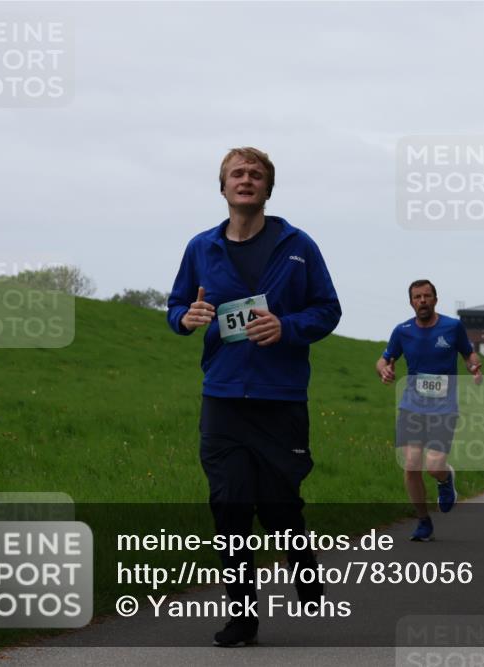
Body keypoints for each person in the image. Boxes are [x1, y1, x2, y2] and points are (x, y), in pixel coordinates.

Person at [167, 147, 342, 647]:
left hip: (280, 398)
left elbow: (327, 310)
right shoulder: (201, 247)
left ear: (268, 188)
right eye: (237, 174)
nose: (246, 180)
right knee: (230, 507)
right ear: (223, 186)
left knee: (279, 506)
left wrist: (286, 327)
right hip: (222, 396)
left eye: (256, 174)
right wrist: (185, 319)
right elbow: (177, 306)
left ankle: (302, 564)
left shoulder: (298, 246)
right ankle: (242, 618)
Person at [376, 280, 482, 542]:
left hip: (443, 408)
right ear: (411, 302)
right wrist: (384, 369)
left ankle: (445, 479)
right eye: (417, 297)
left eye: (426, 296)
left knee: (434, 467)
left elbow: (469, 354)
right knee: (411, 464)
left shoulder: (452, 327)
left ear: (435, 299)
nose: (422, 300)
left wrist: (473, 367)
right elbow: (384, 359)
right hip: (411, 406)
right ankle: (423, 521)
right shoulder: (402, 331)